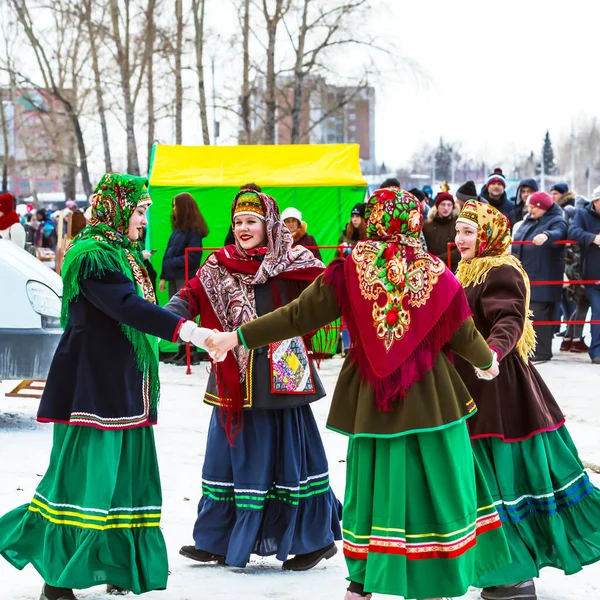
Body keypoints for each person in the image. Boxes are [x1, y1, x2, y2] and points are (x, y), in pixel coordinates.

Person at [205, 187, 511, 600]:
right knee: (439, 481)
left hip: (373, 400)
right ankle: (435, 576)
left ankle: (362, 581)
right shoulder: (436, 271)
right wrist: (487, 361)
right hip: (432, 399)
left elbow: (297, 316)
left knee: (371, 485)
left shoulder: (349, 268)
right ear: (415, 221)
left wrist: (239, 336)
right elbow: (463, 332)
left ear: (375, 220)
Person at [0, 173, 212, 600]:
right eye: (138, 211)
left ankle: (118, 565)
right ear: (117, 208)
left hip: (127, 385)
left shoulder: (124, 252)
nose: (142, 221)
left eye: (145, 213)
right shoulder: (92, 254)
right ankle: (58, 580)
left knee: (126, 480)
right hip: (92, 390)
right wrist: (189, 332)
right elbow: (126, 307)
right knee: (85, 481)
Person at [166, 189, 342, 570]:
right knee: (225, 454)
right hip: (234, 370)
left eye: (252, 222)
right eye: (238, 222)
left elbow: (329, 295)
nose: (243, 228)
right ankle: (217, 539)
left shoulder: (296, 261)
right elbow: (189, 295)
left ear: (269, 225)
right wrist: (167, 317)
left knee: (290, 453)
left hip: (282, 370)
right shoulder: (218, 265)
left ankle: (313, 540)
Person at [454, 199, 600, 600]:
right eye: (458, 230)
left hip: (498, 389)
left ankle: (514, 575)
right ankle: (502, 569)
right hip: (468, 388)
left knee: (502, 479)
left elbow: (510, 319)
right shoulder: (463, 271)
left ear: (488, 235)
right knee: (482, 481)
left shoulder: (501, 269)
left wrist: (492, 354)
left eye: (469, 231)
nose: (460, 238)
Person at [512, 191, 567, 362]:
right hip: (526, 274)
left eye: (532, 207)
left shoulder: (556, 220)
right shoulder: (530, 219)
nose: (529, 210)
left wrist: (546, 236)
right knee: (529, 312)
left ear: (542, 207)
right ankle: (530, 347)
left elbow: (560, 232)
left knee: (539, 313)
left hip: (543, 276)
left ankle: (541, 351)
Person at [159, 192, 209, 365]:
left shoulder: (193, 232)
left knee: (186, 312)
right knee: (175, 313)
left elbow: (193, 257)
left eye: (175, 205)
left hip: (185, 276)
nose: (173, 209)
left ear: (183, 208)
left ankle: (190, 351)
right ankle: (181, 349)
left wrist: (171, 263)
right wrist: (164, 276)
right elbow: (167, 254)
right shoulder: (177, 231)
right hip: (173, 275)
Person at [568, 185, 600, 364]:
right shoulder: (583, 215)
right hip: (591, 276)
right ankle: (596, 351)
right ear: (595, 201)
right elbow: (572, 231)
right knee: (598, 313)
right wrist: (593, 238)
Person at [422, 191, 460, 271]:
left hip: (453, 269)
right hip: (432, 269)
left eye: (449, 205)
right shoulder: (427, 225)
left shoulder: (458, 224)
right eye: (443, 204)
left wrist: (439, 259)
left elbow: (460, 249)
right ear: (437, 206)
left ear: (453, 207)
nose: (446, 208)